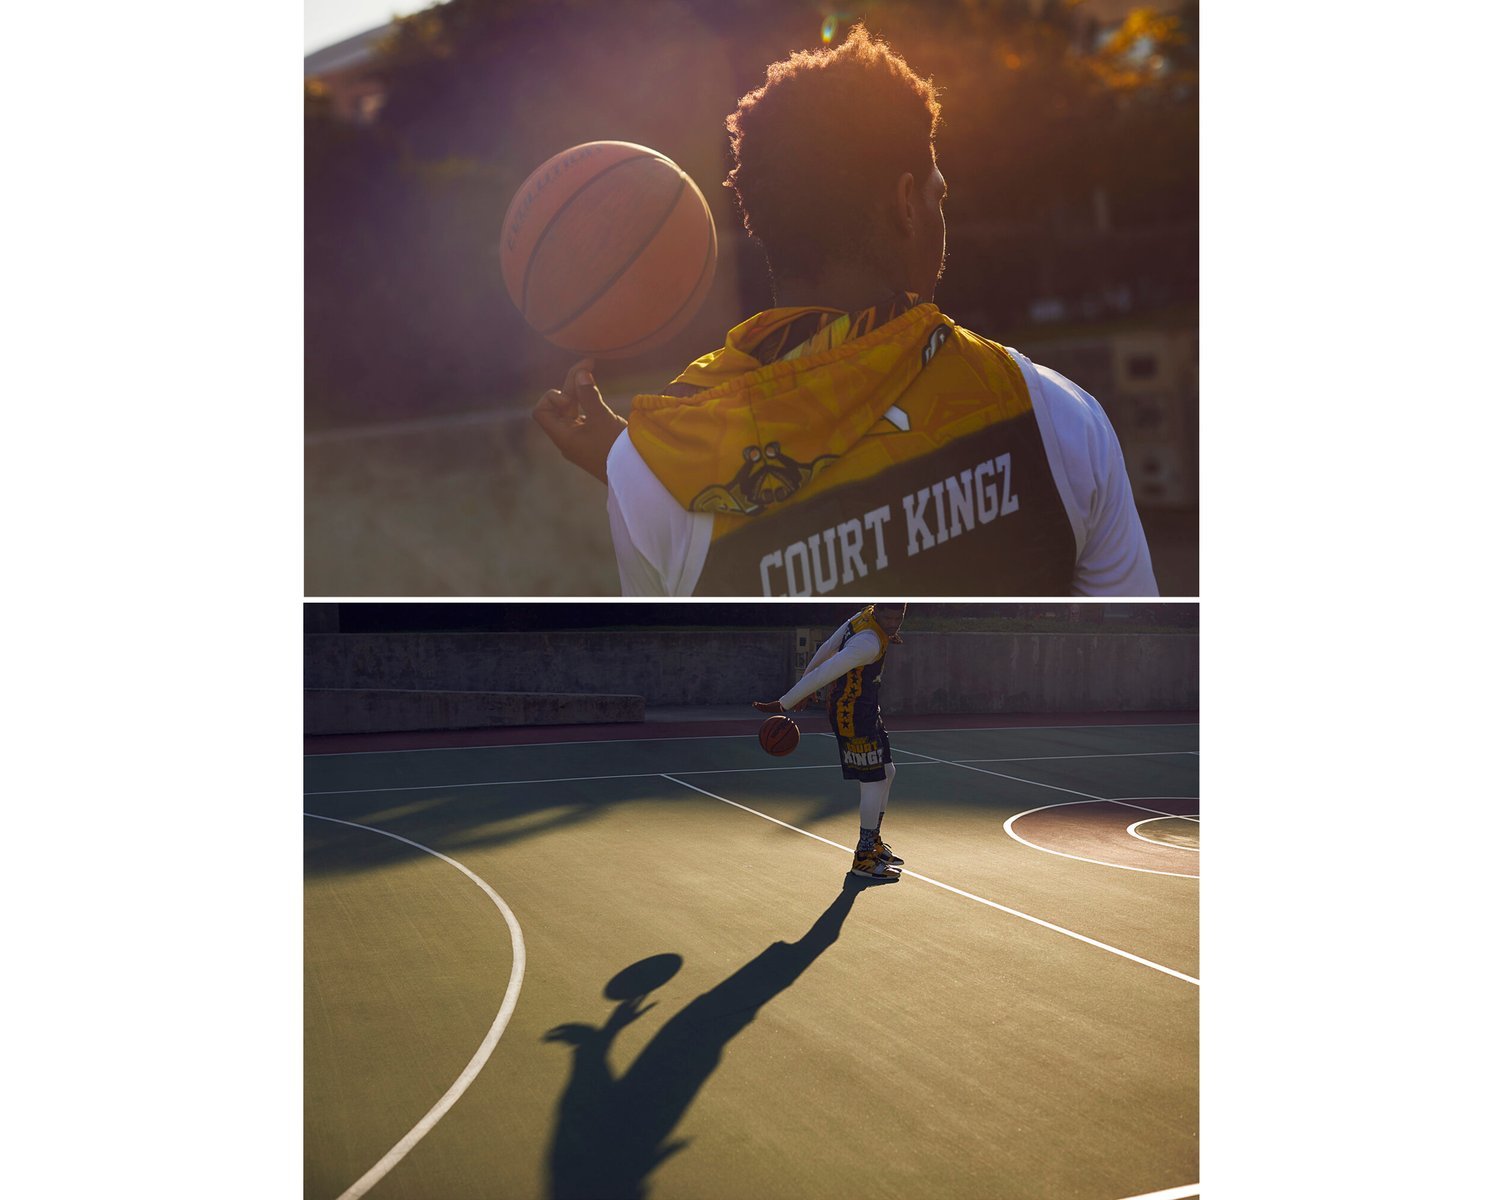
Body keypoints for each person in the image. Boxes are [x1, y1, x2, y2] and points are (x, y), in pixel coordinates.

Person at [533, 24, 1157, 598]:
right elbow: (1133, 692)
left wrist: (633, 466)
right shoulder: (1057, 420)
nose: (943, 209)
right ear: (907, 202)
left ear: (768, 225)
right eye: (939, 190)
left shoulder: (654, 472)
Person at [754, 602, 908, 882]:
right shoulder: (868, 643)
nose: (895, 621)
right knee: (873, 781)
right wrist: (787, 701)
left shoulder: (864, 617)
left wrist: (804, 679)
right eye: (889, 615)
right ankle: (863, 858)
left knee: (888, 772)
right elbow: (830, 668)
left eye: (900, 616)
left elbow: (827, 645)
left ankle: (872, 842)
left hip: (866, 706)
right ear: (878, 612)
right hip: (852, 714)